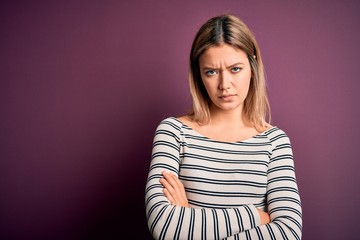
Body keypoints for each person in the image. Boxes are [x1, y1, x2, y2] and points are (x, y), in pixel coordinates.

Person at [144, 14, 302, 240]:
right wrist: (257, 217)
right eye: (211, 72)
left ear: (253, 65)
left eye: (235, 69)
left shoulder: (274, 142)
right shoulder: (173, 133)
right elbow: (165, 226)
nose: (224, 84)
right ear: (199, 74)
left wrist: (189, 218)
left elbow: (288, 232)